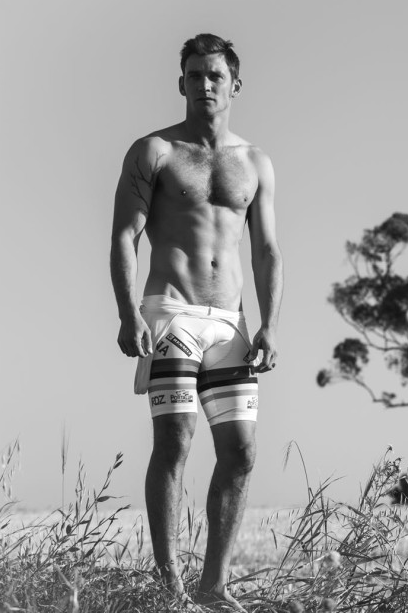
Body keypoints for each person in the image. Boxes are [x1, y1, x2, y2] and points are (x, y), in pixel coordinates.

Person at [110, 33, 282, 611]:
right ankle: (170, 586)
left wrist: (270, 324)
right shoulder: (154, 151)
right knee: (176, 440)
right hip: (171, 311)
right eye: (194, 75)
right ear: (180, 83)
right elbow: (124, 236)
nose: (205, 84)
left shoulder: (255, 162)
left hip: (230, 322)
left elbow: (267, 251)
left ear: (235, 84)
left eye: (215, 75)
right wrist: (127, 311)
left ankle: (214, 587)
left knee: (241, 452)